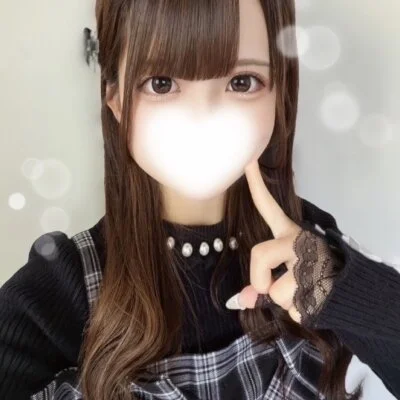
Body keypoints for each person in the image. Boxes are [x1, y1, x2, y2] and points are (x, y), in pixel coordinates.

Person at [1, 0, 399, 399]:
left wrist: (349, 293)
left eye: (242, 82)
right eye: (161, 83)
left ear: (278, 94)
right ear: (116, 98)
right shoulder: (60, 290)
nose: (203, 116)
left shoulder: (311, 250)